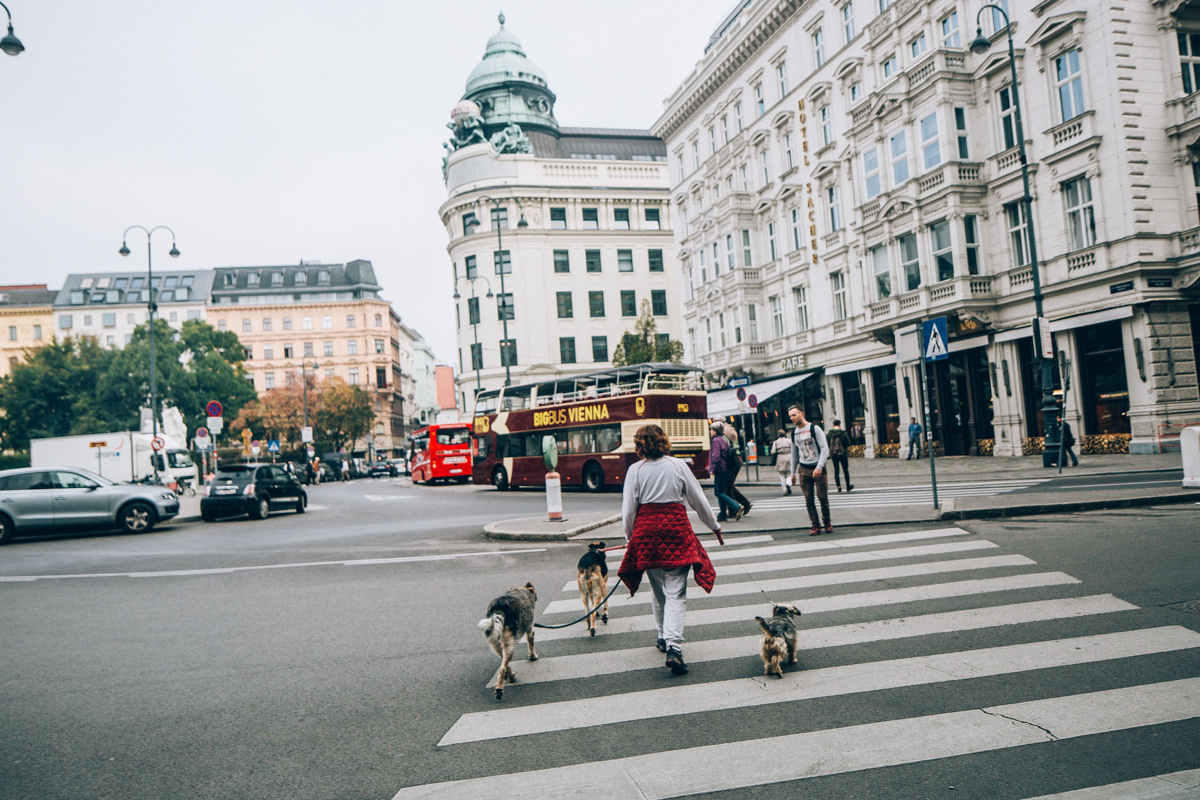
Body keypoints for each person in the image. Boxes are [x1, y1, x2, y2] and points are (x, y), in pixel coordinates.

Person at [618, 424, 723, 676]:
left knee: (658, 590)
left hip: (646, 535)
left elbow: (628, 509)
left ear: (639, 445)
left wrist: (630, 538)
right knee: (675, 592)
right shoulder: (678, 466)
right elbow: (698, 500)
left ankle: (662, 635)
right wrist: (714, 526)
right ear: (664, 441)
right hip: (675, 532)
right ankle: (673, 646)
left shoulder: (635, 470)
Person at [789, 404, 832, 535]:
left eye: (794, 415)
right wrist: (792, 473)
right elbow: (794, 454)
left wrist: (819, 467)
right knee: (808, 498)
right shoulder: (794, 433)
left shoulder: (814, 429)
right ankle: (815, 524)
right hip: (803, 468)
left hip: (817, 466)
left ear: (801, 413)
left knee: (822, 496)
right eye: (790, 416)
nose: (792, 418)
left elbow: (824, 448)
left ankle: (827, 522)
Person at [707, 421, 742, 522]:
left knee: (718, 492)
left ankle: (736, 506)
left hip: (720, 469)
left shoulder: (716, 441)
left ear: (715, 431)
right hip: (726, 469)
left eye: (711, 430)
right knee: (721, 492)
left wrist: (712, 469)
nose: (710, 431)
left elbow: (716, 456)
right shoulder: (723, 439)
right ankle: (722, 515)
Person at [722, 421, 753, 517]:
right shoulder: (730, 429)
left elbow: (725, 448)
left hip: (731, 460)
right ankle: (740, 506)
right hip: (737, 458)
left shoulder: (723, 432)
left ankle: (738, 507)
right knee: (729, 485)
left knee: (727, 486)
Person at [826, 419, 853, 493]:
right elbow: (848, 443)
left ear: (833, 425)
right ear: (839, 424)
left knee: (836, 470)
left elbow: (827, 443)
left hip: (834, 455)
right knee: (845, 470)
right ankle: (848, 486)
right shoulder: (843, 433)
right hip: (843, 454)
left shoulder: (829, 434)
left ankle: (839, 487)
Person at [770, 428, 792, 495]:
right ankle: (788, 483)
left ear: (778, 435)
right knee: (789, 473)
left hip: (780, 457)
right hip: (789, 456)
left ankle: (785, 490)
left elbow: (773, 451)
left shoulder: (776, 442)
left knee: (782, 475)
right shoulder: (789, 440)